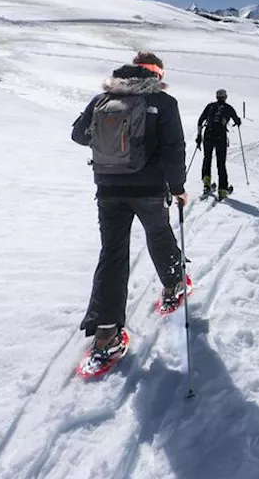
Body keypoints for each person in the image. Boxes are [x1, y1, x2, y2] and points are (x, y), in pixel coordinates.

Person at [70, 51, 188, 366]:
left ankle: (106, 335)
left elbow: (78, 135)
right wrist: (177, 187)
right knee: (159, 233)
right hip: (148, 188)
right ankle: (174, 283)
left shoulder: (102, 99)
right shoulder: (163, 103)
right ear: (156, 75)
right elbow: (174, 148)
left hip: (108, 189)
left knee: (112, 253)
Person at [196, 88, 242, 199]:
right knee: (221, 163)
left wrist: (199, 136)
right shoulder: (228, 108)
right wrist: (237, 121)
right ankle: (222, 189)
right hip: (220, 137)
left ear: (216, 97)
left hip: (208, 135)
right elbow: (237, 120)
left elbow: (200, 120)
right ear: (225, 97)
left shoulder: (210, 106)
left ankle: (206, 184)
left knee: (207, 159)